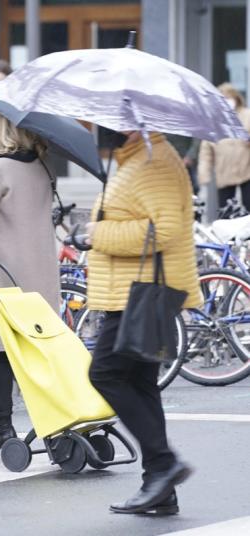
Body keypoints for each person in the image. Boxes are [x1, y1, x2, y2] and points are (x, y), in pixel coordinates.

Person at [85, 131, 201, 514]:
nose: (95, 128)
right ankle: (161, 488)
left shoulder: (153, 162)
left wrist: (98, 233)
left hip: (139, 294)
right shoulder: (137, 159)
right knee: (141, 384)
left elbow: (163, 229)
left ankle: (164, 463)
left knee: (105, 374)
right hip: (135, 291)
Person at [0, 111, 60, 458]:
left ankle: (1, 427)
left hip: (5, 273)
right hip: (42, 272)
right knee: (38, 352)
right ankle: (53, 424)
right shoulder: (42, 165)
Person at [198, 83, 250, 212]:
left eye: (229, 97)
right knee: (226, 212)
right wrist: (204, 176)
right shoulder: (213, 121)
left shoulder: (247, 115)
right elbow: (206, 153)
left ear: (236, 98)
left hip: (247, 172)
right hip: (224, 173)